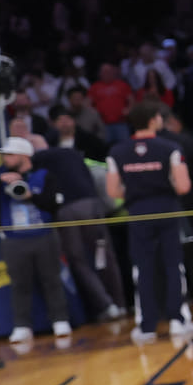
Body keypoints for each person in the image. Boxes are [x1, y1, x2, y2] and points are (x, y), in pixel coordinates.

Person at [106, 99, 193, 346]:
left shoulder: (117, 151)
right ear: (153, 119)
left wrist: (137, 190)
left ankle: (147, 325)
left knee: (143, 269)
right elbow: (184, 186)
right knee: (172, 264)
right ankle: (178, 319)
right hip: (166, 208)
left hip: (138, 211)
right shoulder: (170, 147)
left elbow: (113, 191)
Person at [38, 113, 126, 321]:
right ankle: (119, 304)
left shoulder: (40, 158)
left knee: (79, 260)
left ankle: (107, 305)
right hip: (93, 206)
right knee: (105, 256)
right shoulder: (73, 155)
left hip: (70, 210)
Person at [0, 137, 72, 345]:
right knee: (19, 284)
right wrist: (2, 181)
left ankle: (60, 320)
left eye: (10, 155)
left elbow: (54, 204)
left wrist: (29, 194)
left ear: (24, 155)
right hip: (14, 239)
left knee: (52, 279)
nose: (5, 159)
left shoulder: (44, 175)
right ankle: (21, 326)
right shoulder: (0, 177)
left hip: (43, 235)